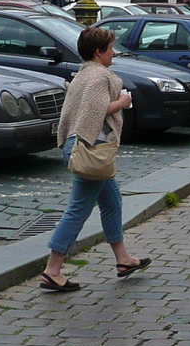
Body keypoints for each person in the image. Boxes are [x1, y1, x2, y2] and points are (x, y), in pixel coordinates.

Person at [41, 26, 149, 292]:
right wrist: (122, 102)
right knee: (77, 210)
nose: (113, 53)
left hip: (80, 145)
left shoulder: (84, 73)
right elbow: (97, 110)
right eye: (110, 48)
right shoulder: (100, 76)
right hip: (92, 150)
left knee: (112, 201)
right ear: (99, 52)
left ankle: (123, 259)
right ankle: (52, 270)